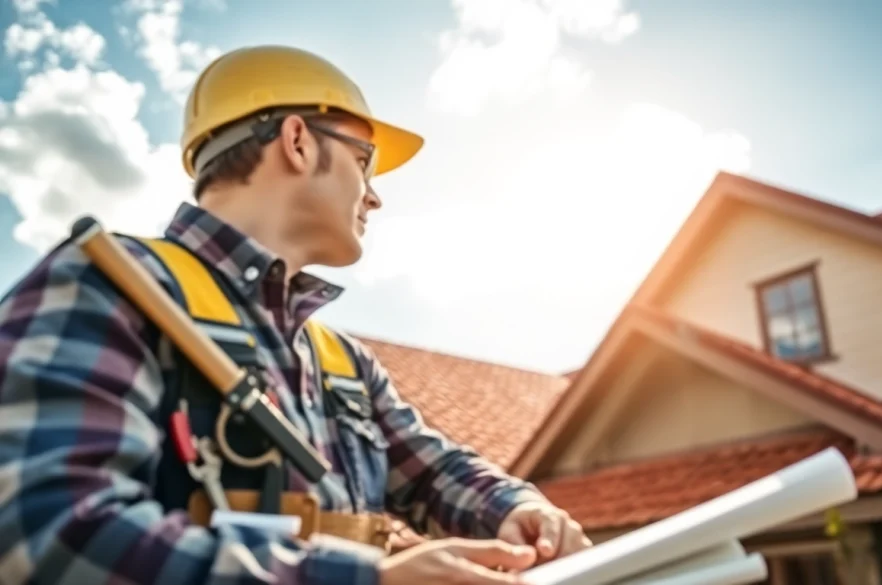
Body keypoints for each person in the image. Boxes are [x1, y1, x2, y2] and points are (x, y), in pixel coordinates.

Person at [0, 45, 590, 585]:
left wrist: (518, 507)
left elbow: (435, 469)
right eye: (366, 161)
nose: (376, 194)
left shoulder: (342, 362)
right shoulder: (107, 284)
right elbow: (46, 533)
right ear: (298, 140)